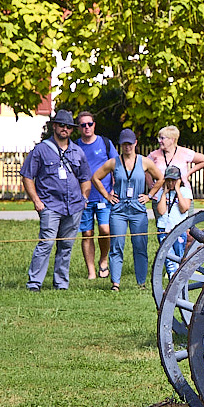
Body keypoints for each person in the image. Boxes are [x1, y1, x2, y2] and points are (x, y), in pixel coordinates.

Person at [21, 110, 92, 292]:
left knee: (66, 245)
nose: (65, 129)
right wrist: (36, 201)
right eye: (62, 125)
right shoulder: (41, 150)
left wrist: (84, 198)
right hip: (50, 205)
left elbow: (86, 178)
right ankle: (34, 283)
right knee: (46, 243)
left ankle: (61, 284)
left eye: (69, 127)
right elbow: (27, 176)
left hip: (74, 206)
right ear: (54, 126)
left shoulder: (78, 151)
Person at [91, 128, 164, 291]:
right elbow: (95, 177)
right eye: (124, 144)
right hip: (119, 209)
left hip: (138, 208)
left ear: (135, 143)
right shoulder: (114, 162)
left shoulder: (144, 162)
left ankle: (141, 283)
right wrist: (107, 196)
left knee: (140, 245)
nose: (127, 147)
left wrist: (149, 195)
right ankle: (115, 282)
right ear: (120, 145)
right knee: (117, 245)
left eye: (130, 144)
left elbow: (160, 178)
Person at [74, 111, 118, 280]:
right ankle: (91, 271)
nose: (86, 127)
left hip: (104, 196)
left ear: (94, 125)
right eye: (83, 125)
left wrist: (113, 189)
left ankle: (104, 260)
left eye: (89, 124)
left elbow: (115, 165)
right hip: (84, 198)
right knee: (86, 234)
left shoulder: (105, 143)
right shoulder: (75, 146)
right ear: (79, 127)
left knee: (105, 230)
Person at [147, 125, 204, 240]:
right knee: (163, 230)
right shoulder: (154, 155)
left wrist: (188, 173)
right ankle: (167, 256)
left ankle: (185, 257)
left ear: (172, 140)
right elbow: (145, 168)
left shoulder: (183, 152)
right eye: (159, 138)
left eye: (162, 138)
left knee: (188, 232)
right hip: (161, 196)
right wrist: (152, 185)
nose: (159, 141)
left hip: (182, 196)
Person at [156, 165, 194, 277]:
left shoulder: (185, 191)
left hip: (178, 228)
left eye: (173, 180)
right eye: (168, 180)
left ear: (178, 180)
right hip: (164, 228)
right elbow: (161, 211)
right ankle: (172, 277)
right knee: (167, 256)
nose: (170, 183)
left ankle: (178, 277)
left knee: (179, 255)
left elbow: (184, 208)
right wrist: (164, 194)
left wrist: (178, 191)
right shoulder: (162, 192)